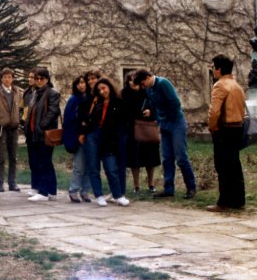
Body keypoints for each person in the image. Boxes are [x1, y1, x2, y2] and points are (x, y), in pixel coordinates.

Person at [133, 69, 197, 199]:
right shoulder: (148, 90)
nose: (143, 87)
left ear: (147, 77)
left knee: (181, 157)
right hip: (164, 124)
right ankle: (168, 189)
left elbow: (175, 103)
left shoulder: (163, 83)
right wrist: (156, 117)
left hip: (176, 122)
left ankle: (191, 187)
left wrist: (166, 117)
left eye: (143, 83)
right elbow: (154, 105)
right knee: (166, 158)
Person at [80, 77, 129, 207]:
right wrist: (84, 132)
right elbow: (87, 118)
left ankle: (118, 195)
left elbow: (123, 123)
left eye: (104, 88)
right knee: (94, 167)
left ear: (109, 87)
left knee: (111, 168)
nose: (102, 91)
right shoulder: (96, 102)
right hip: (93, 135)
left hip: (109, 138)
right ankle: (99, 195)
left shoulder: (118, 102)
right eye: (99, 89)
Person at [207, 54, 246, 212]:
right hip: (237, 127)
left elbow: (214, 111)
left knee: (222, 166)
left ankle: (223, 202)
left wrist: (212, 126)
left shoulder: (220, 85)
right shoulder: (237, 85)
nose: (213, 70)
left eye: (213, 67)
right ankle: (238, 200)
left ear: (219, 69)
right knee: (234, 165)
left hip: (224, 129)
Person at [25, 68, 60, 202]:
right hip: (32, 133)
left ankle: (44, 192)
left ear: (47, 79)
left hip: (43, 133)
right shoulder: (34, 93)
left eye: (42, 79)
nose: (39, 81)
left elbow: (53, 112)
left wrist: (41, 125)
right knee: (37, 161)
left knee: (44, 162)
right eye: (37, 78)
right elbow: (30, 111)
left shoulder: (52, 93)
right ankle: (48, 190)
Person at [121, 72, 160, 193]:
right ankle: (136, 185)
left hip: (147, 126)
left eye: (135, 79)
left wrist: (151, 112)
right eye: (131, 79)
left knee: (150, 157)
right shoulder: (124, 93)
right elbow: (123, 111)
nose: (133, 82)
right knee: (134, 159)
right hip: (131, 128)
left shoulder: (146, 91)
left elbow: (155, 106)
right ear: (127, 81)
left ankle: (151, 184)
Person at [0, 68, 23, 192]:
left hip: (13, 128)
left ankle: (12, 182)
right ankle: (0, 183)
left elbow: (21, 108)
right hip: (1, 128)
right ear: (1, 79)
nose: (7, 79)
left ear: (12, 78)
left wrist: (19, 120)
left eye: (10, 77)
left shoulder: (17, 92)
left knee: (13, 157)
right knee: (1, 157)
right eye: (5, 77)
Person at [62, 75, 92, 203]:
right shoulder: (74, 100)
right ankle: (73, 190)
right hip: (78, 136)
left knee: (89, 166)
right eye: (78, 83)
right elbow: (68, 120)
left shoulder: (91, 98)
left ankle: (85, 191)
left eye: (83, 82)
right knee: (79, 166)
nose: (81, 85)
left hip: (90, 136)